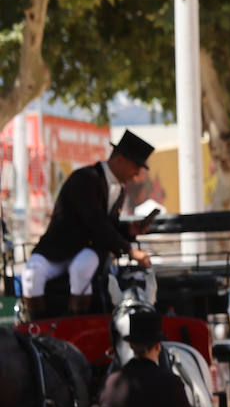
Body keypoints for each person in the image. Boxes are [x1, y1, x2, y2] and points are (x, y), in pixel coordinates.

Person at [21, 130, 155, 318]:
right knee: (30, 275)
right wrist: (129, 250)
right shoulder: (85, 179)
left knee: (82, 267)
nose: (136, 174)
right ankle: (36, 325)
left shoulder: (119, 189)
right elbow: (95, 222)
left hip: (88, 250)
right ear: (120, 160)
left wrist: (128, 230)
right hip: (58, 248)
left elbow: (106, 225)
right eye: (135, 167)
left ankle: (77, 318)